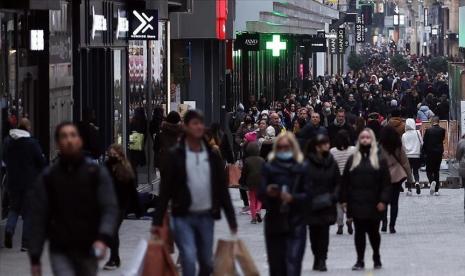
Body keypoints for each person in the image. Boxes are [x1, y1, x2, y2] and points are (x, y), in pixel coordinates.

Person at [152, 110, 237, 276]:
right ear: (186, 127)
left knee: (206, 261)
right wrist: (157, 220)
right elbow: (165, 190)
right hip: (182, 215)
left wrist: (231, 219)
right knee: (189, 258)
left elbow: (221, 189)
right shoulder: (176, 155)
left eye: (200, 123)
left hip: (206, 215)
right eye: (194, 123)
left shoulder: (212, 155)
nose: (199, 127)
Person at [29, 122, 118, 276]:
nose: (69, 140)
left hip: (88, 247)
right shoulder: (49, 177)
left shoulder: (95, 173)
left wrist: (103, 238)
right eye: (64, 136)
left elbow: (109, 207)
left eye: (73, 135)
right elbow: (38, 216)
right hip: (60, 248)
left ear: (80, 140)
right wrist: (35, 256)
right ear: (57, 143)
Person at [259, 132, 309, 276]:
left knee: (293, 264)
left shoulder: (302, 168)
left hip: (296, 221)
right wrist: (269, 192)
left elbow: (309, 194)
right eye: (280, 147)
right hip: (275, 221)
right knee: (276, 266)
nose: (283, 150)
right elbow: (261, 192)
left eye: (286, 147)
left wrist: (293, 198)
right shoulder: (269, 167)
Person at [341, 128, 391, 271]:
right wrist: (344, 200)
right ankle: (360, 260)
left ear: (372, 140)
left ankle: (376, 256)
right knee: (359, 233)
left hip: (374, 203)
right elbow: (345, 182)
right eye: (362, 137)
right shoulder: (352, 159)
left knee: (374, 233)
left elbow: (386, 184)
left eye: (367, 137)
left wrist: (383, 200)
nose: (365, 140)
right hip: (356, 203)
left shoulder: (379, 159)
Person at [2, 118, 46, 250]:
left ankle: (9, 230)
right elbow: (40, 161)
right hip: (29, 182)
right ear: (28, 128)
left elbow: (4, 157)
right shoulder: (32, 143)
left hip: (13, 181)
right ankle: (25, 244)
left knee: (14, 208)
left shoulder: (8, 141)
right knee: (28, 212)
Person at [305, 134, 340, 272]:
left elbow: (337, 181)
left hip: (327, 203)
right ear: (317, 147)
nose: (327, 146)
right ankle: (316, 256)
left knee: (324, 233)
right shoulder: (307, 163)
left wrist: (334, 196)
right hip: (312, 204)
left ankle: (322, 260)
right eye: (324, 144)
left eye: (327, 143)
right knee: (314, 233)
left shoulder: (332, 162)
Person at [104, 144, 140, 270]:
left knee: (112, 232)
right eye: (110, 154)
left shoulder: (126, 168)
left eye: (114, 154)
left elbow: (132, 191)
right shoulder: (106, 167)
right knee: (110, 233)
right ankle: (115, 258)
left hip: (120, 206)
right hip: (107, 205)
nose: (112, 156)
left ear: (120, 154)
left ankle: (113, 259)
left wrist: (138, 209)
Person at [379, 126, 413, 233]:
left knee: (383, 200)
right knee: (394, 202)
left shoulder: (380, 147)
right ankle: (392, 226)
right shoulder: (398, 146)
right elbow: (405, 163)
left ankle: (384, 222)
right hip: (397, 175)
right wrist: (409, 179)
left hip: (383, 176)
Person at [330, 130, 355, 235]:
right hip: (350, 179)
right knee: (351, 202)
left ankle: (340, 225)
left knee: (339, 203)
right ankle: (349, 219)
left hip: (337, 180)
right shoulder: (353, 150)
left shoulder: (332, 151)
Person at [241, 142, 266, 224]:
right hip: (260, 181)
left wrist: (242, 181)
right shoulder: (262, 160)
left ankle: (253, 218)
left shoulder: (247, 161)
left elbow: (244, 173)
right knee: (259, 198)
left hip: (251, 182)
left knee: (252, 200)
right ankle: (258, 210)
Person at [423, 116, 445, 195]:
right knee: (436, 170)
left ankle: (432, 181)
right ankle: (436, 190)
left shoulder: (428, 130)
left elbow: (424, 142)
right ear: (438, 122)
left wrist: (424, 152)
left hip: (429, 153)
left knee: (428, 170)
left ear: (432, 121)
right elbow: (442, 139)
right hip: (438, 152)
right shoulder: (442, 130)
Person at [402, 118, 423, 195]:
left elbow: (403, 146)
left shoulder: (404, 135)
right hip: (416, 155)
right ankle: (417, 182)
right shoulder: (417, 132)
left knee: (409, 172)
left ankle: (409, 189)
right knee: (416, 171)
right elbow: (421, 143)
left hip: (407, 156)